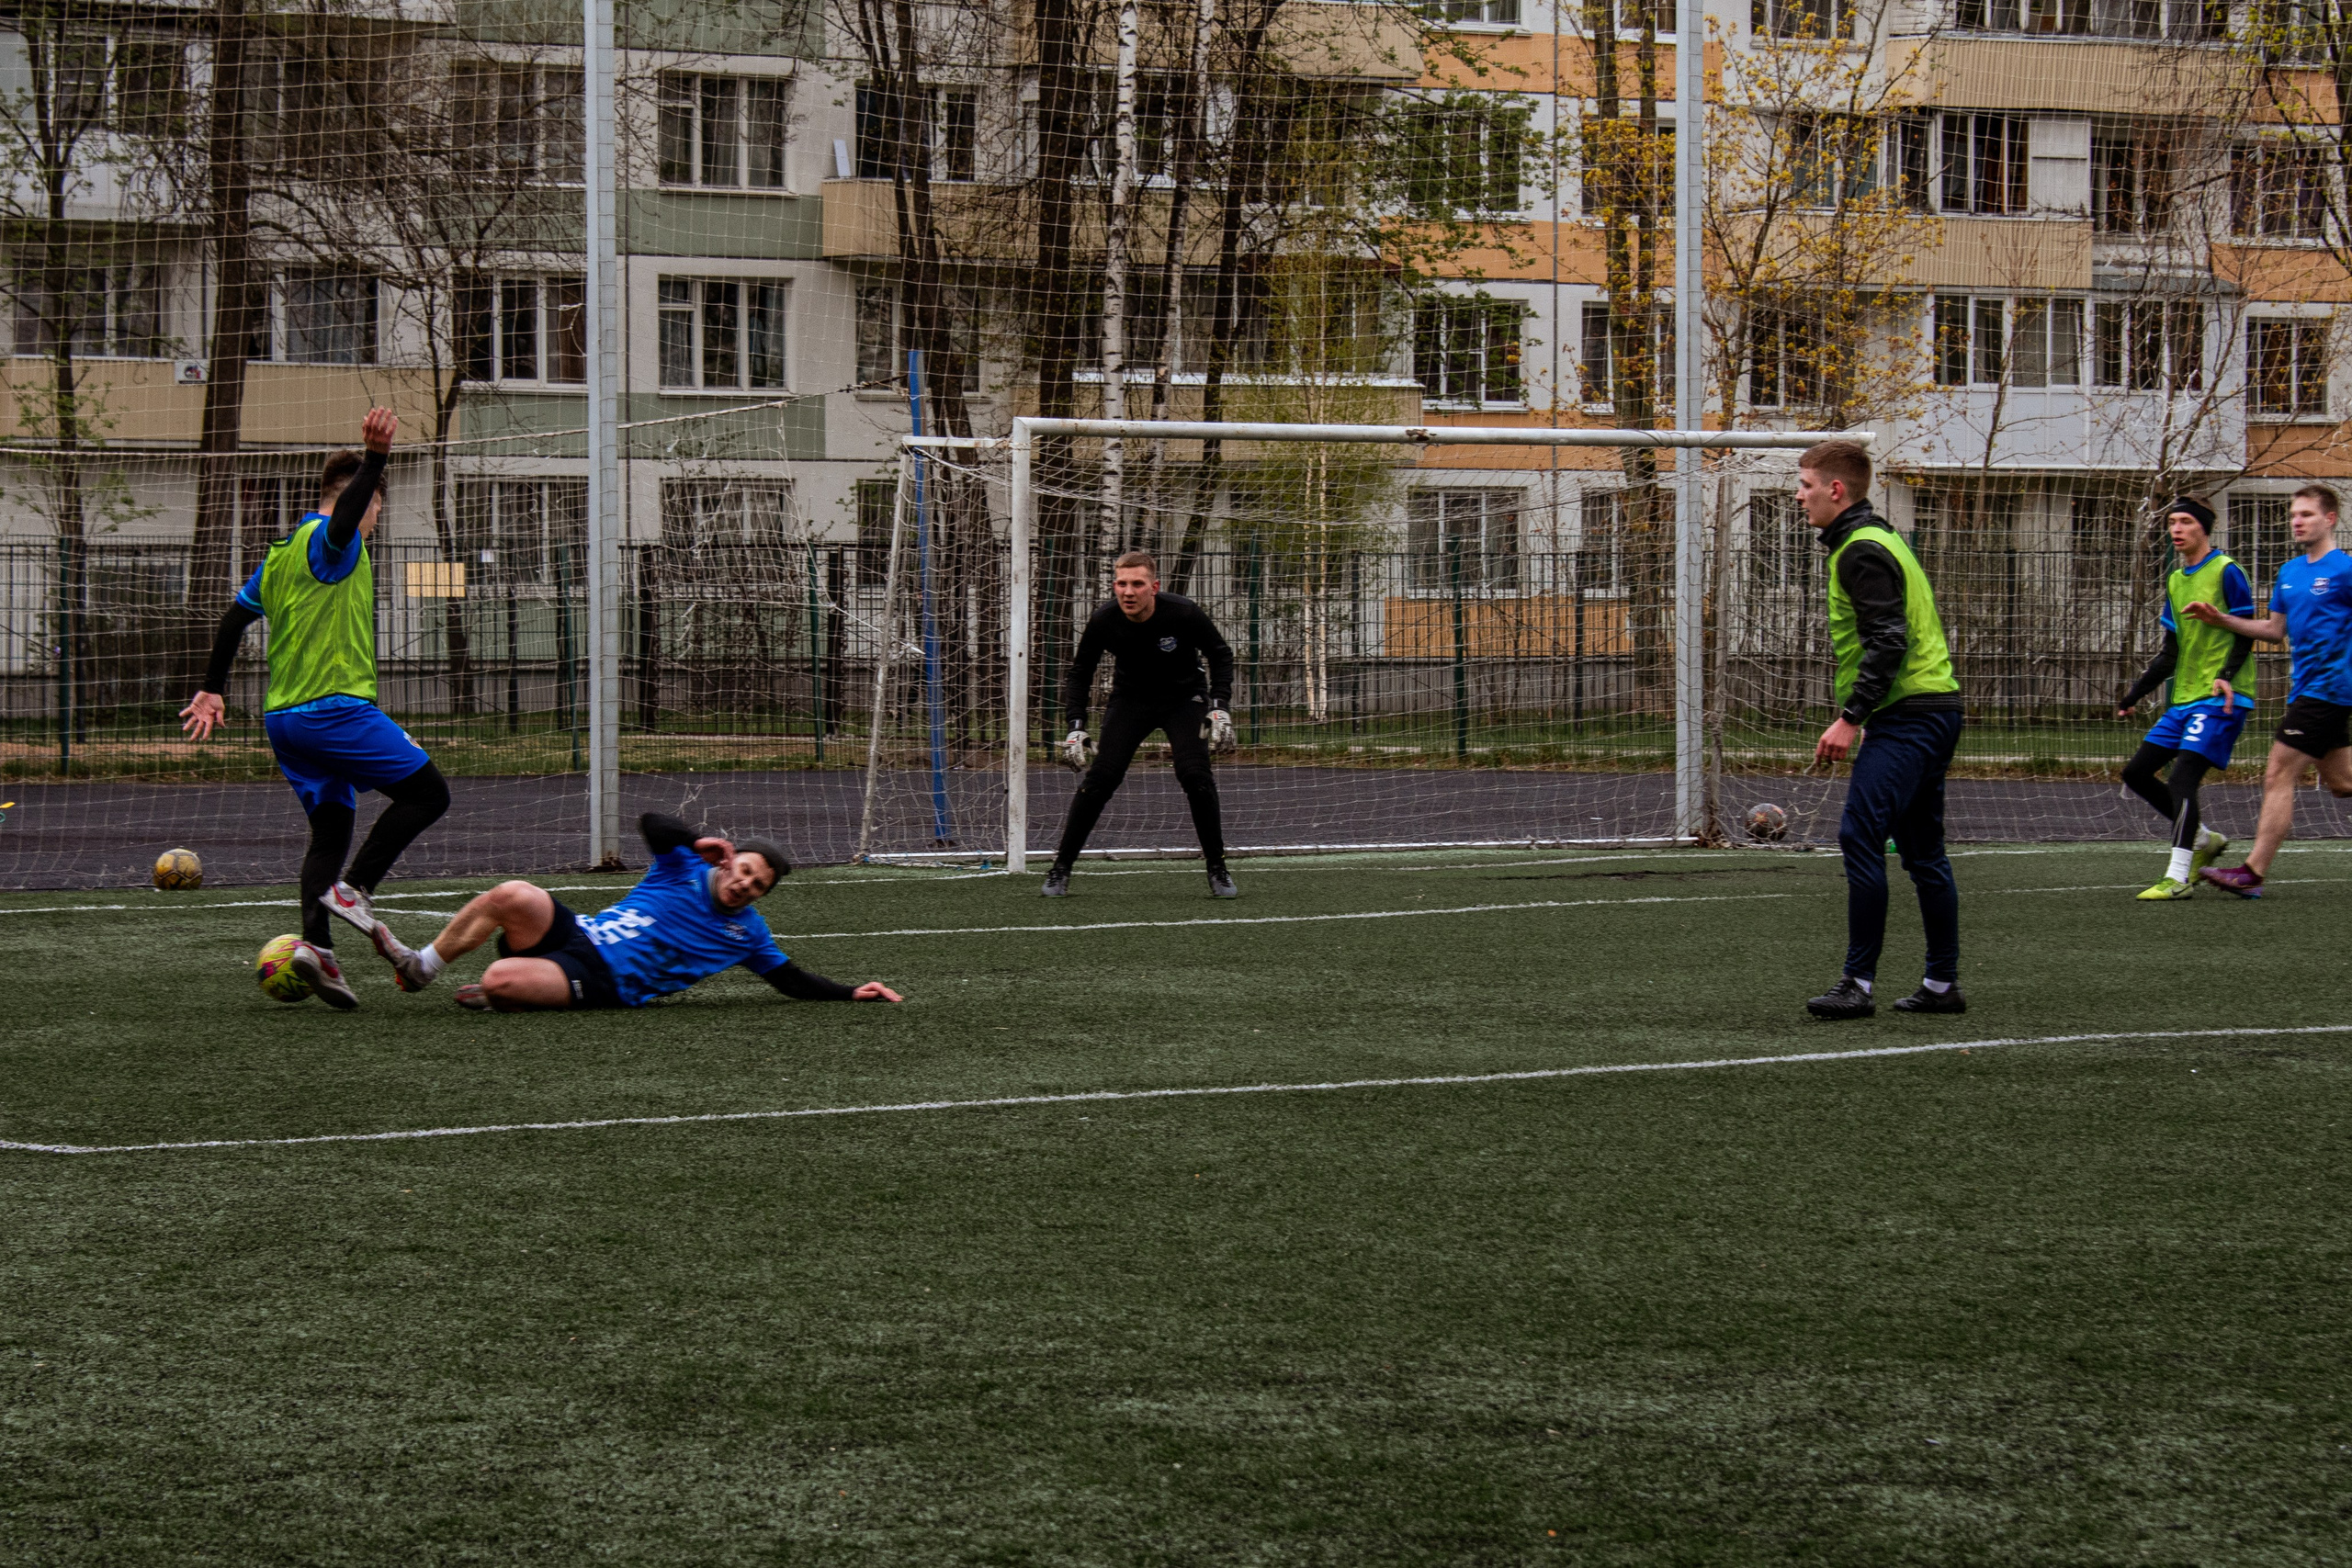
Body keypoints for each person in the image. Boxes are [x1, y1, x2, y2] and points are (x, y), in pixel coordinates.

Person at [179, 410, 448, 1010]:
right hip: (334, 711)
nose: (375, 519)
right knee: (429, 793)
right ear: (367, 499)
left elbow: (234, 617)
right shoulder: (336, 539)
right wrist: (376, 458)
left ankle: (316, 948)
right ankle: (355, 889)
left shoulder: (279, 553)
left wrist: (212, 688)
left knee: (330, 829)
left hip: (284, 722)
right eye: (377, 504)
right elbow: (344, 521)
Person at [327, 812, 903, 1010]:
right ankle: (421, 967)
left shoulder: (746, 936)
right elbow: (652, 824)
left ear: (759, 897)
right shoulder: (685, 867)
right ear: (729, 863)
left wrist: (851, 990)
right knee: (513, 894)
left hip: (604, 980)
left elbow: (790, 979)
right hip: (580, 932)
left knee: (500, 979)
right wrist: (697, 840)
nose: (745, 885)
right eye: (744, 871)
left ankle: (505, 993)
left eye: (758, 886)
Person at [1798, 439, 1967, 1021]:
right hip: (1931, 710)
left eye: (1805, 486)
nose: (1800, 497)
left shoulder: (1860, 551)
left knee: (1859, 838)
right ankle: (1942, 984)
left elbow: (1890, 640)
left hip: (1912, 715)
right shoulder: (1882, 539)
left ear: (1835, 490)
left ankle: (1857, 984)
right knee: (1923, 851)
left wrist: (1852, 717)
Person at [2185, 484, 2352, 897]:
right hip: (2307, 689)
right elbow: (2273, 631)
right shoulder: (2290, 572)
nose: (2297, 521)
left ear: (2329, 519)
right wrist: (2220, 618)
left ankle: (2252, 872)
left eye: (2307, 514)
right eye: (2294, 514)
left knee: (2278, 772)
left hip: (2331, 689)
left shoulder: (2345, 570)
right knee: (2342, 782)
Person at [1045, 550, 1239, 898]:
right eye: (1121, 584)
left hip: (1184, 700)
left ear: (1154, 587)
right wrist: (1076, 725)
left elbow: (1221, 655)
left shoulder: (1183, 612)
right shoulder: (1104, 619)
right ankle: (1060, 869)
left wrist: (1219, 705)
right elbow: (1080, 674)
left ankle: (1217, 868)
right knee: (1101, 779)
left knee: (1195, 776)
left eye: (1137, 584)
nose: (1128, 592)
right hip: (1131, 701)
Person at [2112, 497, 2255, 900]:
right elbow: (2170, 651)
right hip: (2185, 698)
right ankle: (2204, 839)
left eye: (2185, 521)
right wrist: (2135, 692)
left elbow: (2246, 630)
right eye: (2172, 522)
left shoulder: (2227, 572)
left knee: (2182, 779)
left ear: (2204, 528)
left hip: (2222, 697)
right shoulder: (2176, 580)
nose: (2176, 529)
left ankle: (2178, 877)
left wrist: (2226, 676)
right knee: (2137, 773)